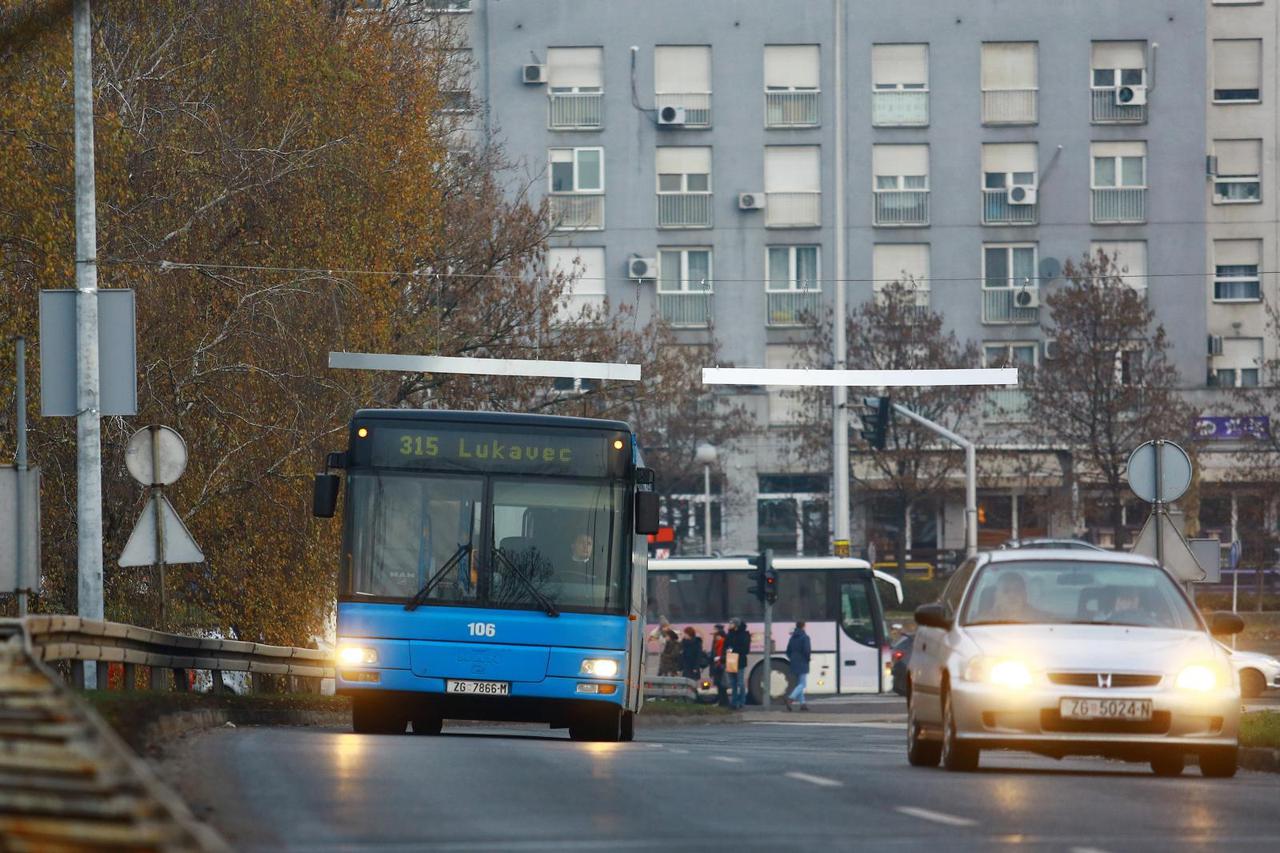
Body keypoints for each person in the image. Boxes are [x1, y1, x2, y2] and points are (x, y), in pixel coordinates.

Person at [784, 621, 812, 711]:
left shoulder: (792, 638)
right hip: (802, 662)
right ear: (803, 626)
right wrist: (807, 659)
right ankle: (790, 698)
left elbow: (788, 651)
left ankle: (803, 704)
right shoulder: (805, 637)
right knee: (802, 684)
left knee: (799, 684)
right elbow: (807, 650)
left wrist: (792, 658)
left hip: (794, 662)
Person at [726, 617, 751, 709]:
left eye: (731, 623)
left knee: (740, 682)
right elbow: (727, 645)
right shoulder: (729, 634)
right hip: (731, 661)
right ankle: (734, 702)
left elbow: (745, 649)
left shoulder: (744, 635)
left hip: (740, 661)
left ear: (736, 625)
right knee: (733, 683)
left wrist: (733, 650)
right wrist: (728, 650)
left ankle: (742, 702)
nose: (729, 625)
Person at [708, 624, 729, 706]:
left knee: (722, 685)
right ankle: (721, 702)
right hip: (717, 666)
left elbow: (726, 654)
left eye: (716, 636)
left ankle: (724, 703)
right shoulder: (716, 643)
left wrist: (719, 659)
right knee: (719, 685)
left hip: (721, 666)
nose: (715, 637)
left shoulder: (724, 643)